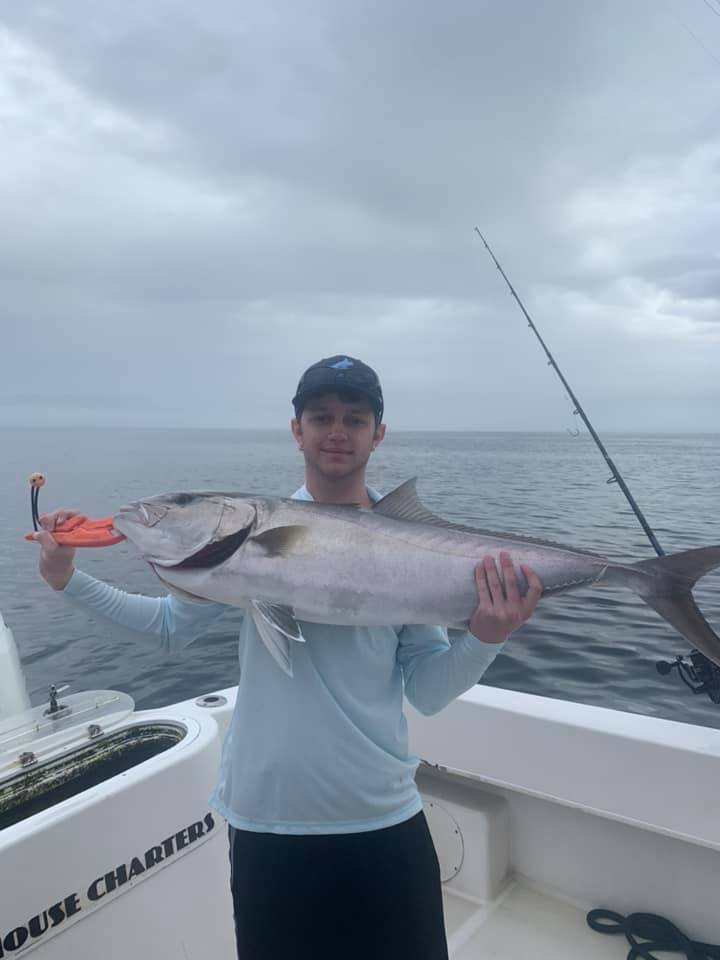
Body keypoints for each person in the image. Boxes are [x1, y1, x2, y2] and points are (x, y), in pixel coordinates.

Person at [33, 355, 542, 960]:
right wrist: (66, 578)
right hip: (266, 823)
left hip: (383, 820)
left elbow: (428, 691)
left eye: (355, 419)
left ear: (378, 434)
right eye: (321, 416)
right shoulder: (240, 550)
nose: (337, 430)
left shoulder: (415, 557)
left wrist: (486, 634)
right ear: (296, 429)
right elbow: (169, 630)